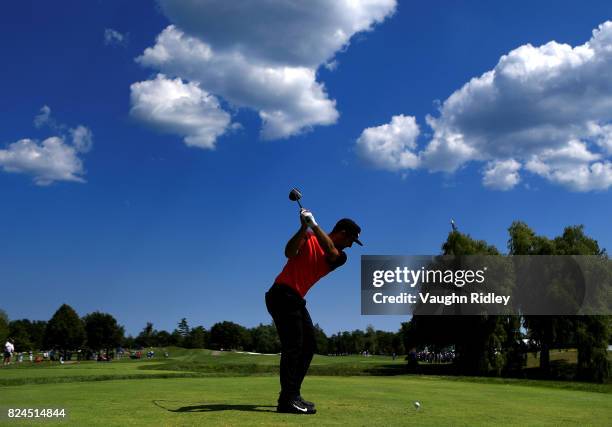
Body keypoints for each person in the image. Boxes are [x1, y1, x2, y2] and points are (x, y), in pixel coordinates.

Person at [266, 208, 362, 415]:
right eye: (352, 240)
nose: (351, 245)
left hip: (295, 299)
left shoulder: (340, 256)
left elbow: (330, 251)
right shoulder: (308, 236)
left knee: (308, 346)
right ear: (343, 233)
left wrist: (313, 224)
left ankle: (293, 394)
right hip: (281, 294)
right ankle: (287, 400)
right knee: (294, 346)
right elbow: (289, 252)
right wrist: (303, 228)